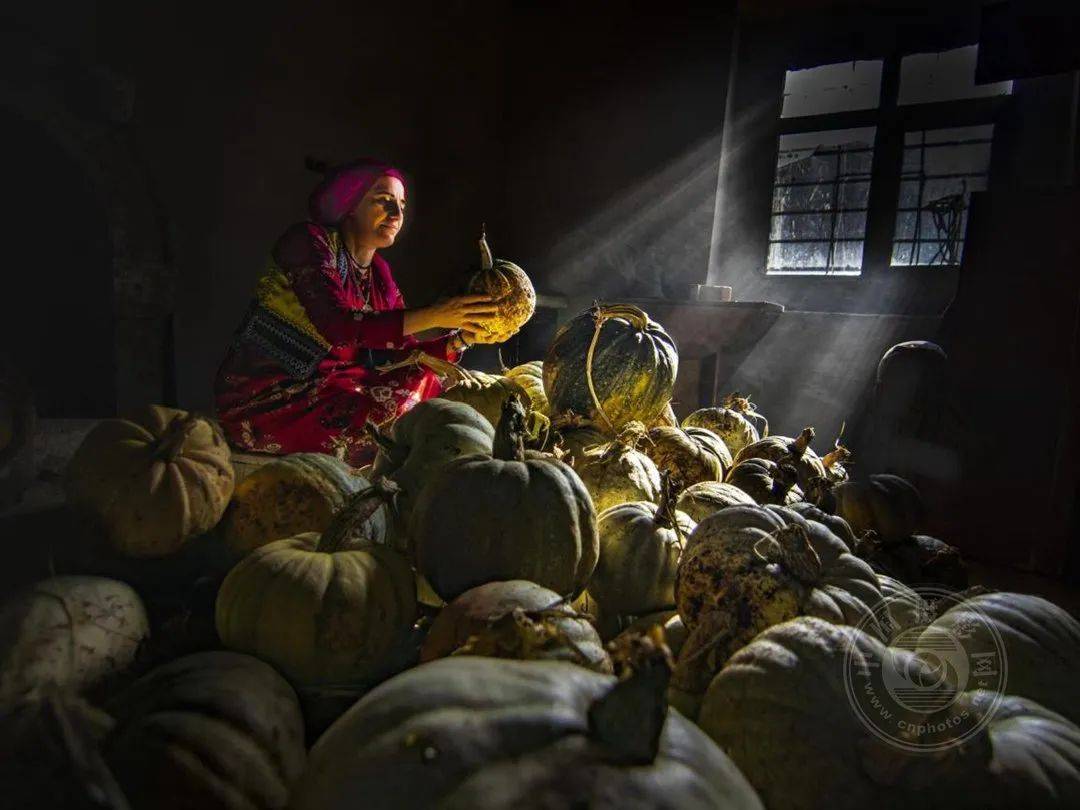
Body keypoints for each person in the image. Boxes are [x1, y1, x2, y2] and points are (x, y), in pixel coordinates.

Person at [214, 158, 500, 466]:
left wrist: (461, 338)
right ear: (350, 204)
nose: (397, 214)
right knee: (391, 424)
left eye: (401, 205)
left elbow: (401, 354)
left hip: (335, 389)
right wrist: (437, 314)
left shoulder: (379, 274)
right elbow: (338, 326)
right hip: (275, 398)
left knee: (425, 378)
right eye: (383, 201)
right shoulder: (308, 242)